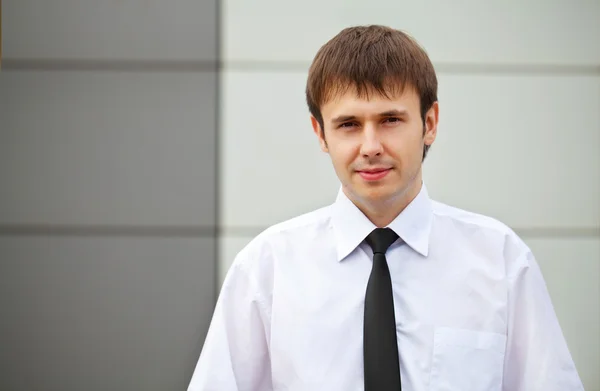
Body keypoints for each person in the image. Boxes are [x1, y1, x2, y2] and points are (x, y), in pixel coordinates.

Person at [187, 25, 584, 391]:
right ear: (320, 133)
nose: (371, 146)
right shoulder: (267, 268)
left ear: (429, 122)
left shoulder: (501, 261)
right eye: (348, 124)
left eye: (390, 119)